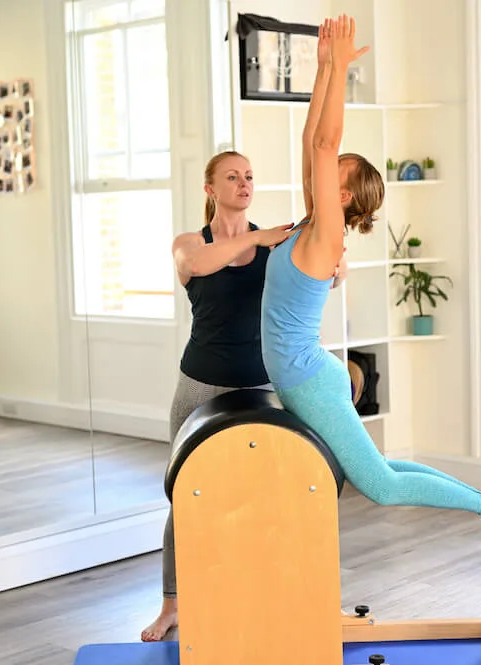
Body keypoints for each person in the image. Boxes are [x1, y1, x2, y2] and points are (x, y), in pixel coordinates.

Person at [260, 16, 481, 543]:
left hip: (307, 379)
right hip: (308, 374)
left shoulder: (327, 238)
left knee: (382, 487)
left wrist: (341, 68)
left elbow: (325, 143)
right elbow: (312, 138)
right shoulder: (312, 223)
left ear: (342, 196)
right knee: (383, 471)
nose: (323, 168)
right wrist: (323, 69)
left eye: (333, 171)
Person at [140, 150, 346, 642]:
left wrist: (333, 251)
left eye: (250, 176)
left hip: (262, 387)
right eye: (232, 177)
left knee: (266, 496)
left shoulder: (277, 248)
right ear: (210, 189)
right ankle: (172, 603)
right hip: (200, 385)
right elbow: (196, 264)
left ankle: (262, 592)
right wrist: (258, 236)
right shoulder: (192, 243)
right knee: (184, 497)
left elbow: (334, 274)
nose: (244, 183)